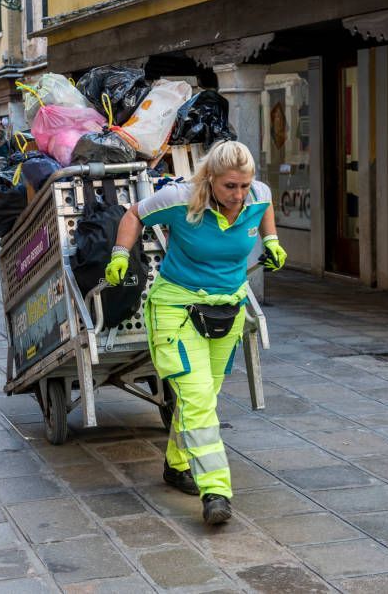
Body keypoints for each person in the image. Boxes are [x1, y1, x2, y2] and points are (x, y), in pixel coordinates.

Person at [104, 141, 287, 524]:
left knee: (205, 395)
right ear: (209, 179)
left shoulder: (257, 195)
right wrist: (121, 253)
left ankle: (176, 464)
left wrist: (271, 240)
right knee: (198, 396)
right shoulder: (182, 198)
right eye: (229, 187)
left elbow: (265, 205)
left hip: (227, 309)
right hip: (176, 309)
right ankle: (216, 490)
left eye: (244, 185)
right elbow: (134, 214)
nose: (239, 195)